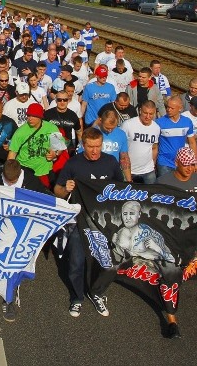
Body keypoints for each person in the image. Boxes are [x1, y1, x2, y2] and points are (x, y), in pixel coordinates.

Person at [54, 128, 125, 318]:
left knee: (106, 263)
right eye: (91, 147)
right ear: (83, 145)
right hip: (80, 222)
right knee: (77, 262)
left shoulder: (110, 162)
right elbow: (57, 191)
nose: (95, 151)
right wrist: (66, 189)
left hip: (106, 222)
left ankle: (97, 293)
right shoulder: (74, 164)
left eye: (98, 146)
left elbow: (122, 189)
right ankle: (77, 297)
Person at [7, 103, 62, 189]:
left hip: (44, 172)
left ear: (40, 117)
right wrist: (10, 173)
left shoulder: (52, 128)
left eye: (34, 116)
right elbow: (12, 154)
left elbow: (58, 147)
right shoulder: (20, 132)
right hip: (25, 171)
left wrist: (54, 154)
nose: (30, 119)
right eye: (28, 115)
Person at [155, 97, 197, 182]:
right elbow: (154, 145)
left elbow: (192, 143)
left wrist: (194, 163)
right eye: (167, 107)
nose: (168, 110)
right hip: (164, 162)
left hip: (181, 163)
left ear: (180, 109)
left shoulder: (187, 122)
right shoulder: (159, 123)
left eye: (172, 108)